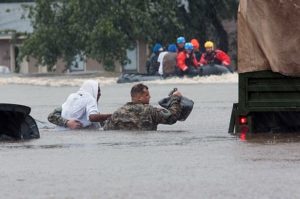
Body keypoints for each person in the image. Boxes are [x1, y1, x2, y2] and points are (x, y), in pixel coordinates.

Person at [103, 83, 182, 131]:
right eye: (147, 95)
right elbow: (172, 117)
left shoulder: (117, 112)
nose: (150, 97)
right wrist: (175, 98)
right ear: (140, 97)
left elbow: (106, 129)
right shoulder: (149, 110)